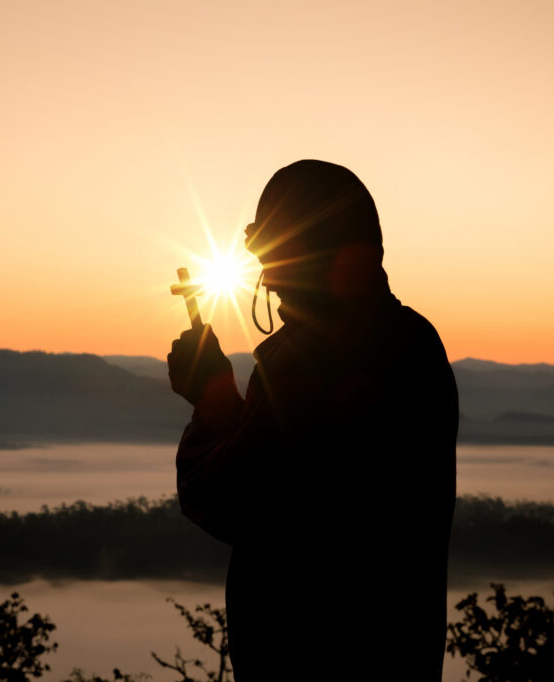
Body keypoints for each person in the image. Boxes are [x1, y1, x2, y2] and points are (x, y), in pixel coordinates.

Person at [167, 160, 458, 680]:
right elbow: (293, 471)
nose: (265, 271)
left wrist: (210, 398)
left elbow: (235, 500)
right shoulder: (415, 339)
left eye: (267, 245)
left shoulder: (313, 361)